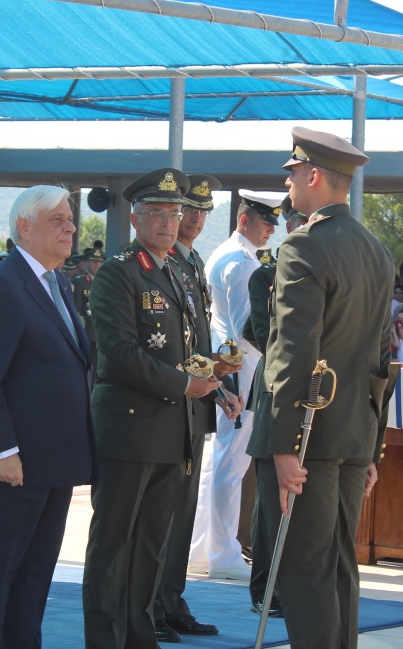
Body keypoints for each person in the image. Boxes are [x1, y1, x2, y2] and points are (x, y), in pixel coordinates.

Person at [247, 126, 392, 649]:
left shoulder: (304, 246)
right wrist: (371, 443)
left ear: (312, 176)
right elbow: (381, 357)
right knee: (338, 566)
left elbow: (291, 350)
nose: (287, 186)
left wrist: (284, 444)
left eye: (291, 175)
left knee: (304, 570)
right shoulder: (373, 249)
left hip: (307, 436)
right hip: (352, 433)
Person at [81, 168, 224, 649]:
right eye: (157, 214)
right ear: (136, 218)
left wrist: (212, 382)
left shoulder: (180, 271)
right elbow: (119, 353)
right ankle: (105, 637)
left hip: (174, 429)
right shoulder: (119, 272)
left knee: (151, 543)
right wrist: (185, 384)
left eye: (174, 213)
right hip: (131, 426)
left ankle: (140, 635)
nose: (168, 222)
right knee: (113, 541)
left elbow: (189, 344)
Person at [0, 185, 96, 648]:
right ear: (25, 226)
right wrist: (3, 450)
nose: (70, 227)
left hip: (56, 459)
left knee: (37, 572)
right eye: (58, 219)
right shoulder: (3, 283)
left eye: (69, 218)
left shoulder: (57, 281)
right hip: (17, 462)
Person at [155, 175, 242, 642]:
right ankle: (149, 606)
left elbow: (193, 344)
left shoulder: (192, 265)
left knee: (182, 513)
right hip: (163, 405)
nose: (193, 219)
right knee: (159, 517)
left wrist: (218, 384)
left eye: (202, 212)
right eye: (186, 209)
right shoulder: (158, 265)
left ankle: (171, 601)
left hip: (193, 404)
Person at [191, 187, 277, 585]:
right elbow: (250, 329)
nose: (271, 230)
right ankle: (224, 551)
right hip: (244, 368)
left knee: (219, 461)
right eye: (266, 221)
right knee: (232, 465)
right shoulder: (243, 264)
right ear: (245, 220)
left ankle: (203, 545)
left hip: (232, 366)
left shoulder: (225, 254)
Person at [243, 196, 305, 618]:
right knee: (271, 502)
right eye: (300, 222)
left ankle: (294, 582)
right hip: (279, 391)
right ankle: (266, 588)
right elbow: (265, 335)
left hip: (318, 397)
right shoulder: (268, 275)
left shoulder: (321, 272)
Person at [72, 246, 104, 369]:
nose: (97, 264)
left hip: (101, 334)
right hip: (87, 332)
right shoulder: (79, 282)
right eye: (93, 261)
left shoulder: (104, 281)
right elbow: (77, 309)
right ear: (86, 262)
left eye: (99, 261)